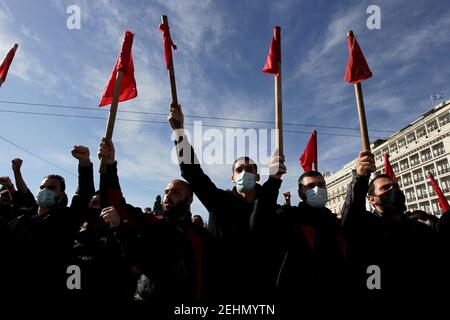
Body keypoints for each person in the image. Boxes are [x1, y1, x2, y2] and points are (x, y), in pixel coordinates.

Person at [168, 103, 286, 300]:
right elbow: (192, 173)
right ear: (232, 177)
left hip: (263, 292)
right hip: (223, 292)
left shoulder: (271, 205)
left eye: (250, 169)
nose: (244, 173)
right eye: (239, 170)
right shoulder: (219, 201)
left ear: (258, 176)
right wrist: (180, 133)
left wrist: (274, 181)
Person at [97, 138, 216, 303]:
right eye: (166, 191)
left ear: (189, 200)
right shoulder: (149, 221)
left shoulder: (202, 236)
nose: (168, 196)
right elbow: (116, 204)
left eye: (175, 192)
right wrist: (110, 166)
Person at [341, 151, 441, 306]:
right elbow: (351, 215)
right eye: (385, 188)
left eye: (395, 186)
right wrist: (360, 178)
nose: (393, 190)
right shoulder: (367, 226)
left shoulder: (422, 230)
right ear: (372, 199)